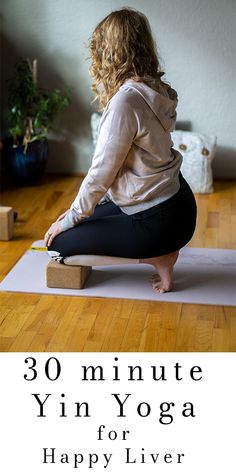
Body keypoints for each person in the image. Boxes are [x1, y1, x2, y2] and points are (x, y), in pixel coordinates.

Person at [44, 8, 197, 293]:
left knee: (59, 245)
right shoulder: (154, 88)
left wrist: (73, 218)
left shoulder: (125, 102)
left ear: (110, 51)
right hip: (176, 204)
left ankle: (159, 255)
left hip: (159, 222)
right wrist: (78, 213)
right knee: (73, 219)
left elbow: (101, 173)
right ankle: (159, 249)